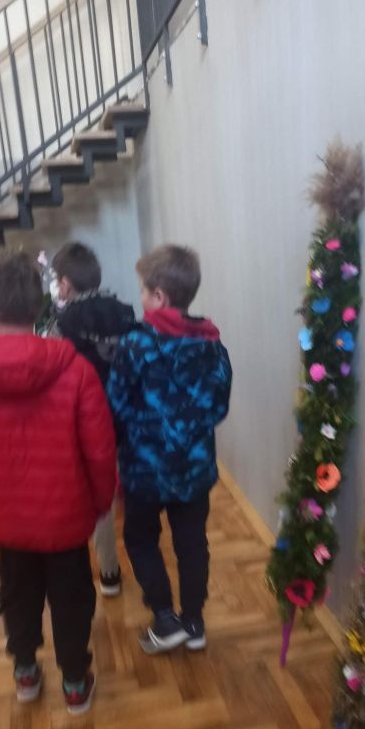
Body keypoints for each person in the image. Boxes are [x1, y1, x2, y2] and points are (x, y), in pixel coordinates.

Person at [0, 248, 116, 713]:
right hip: (66, 514)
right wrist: (101, 502)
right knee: (72, 596)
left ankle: (26, 671)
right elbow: (100, 449)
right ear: (39, 306)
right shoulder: (76, 370)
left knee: (17, 591)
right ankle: (75, 680)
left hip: (4, 516)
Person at [108, 244, 232, 654]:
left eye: (144, 291)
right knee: (192, 541)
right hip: (194, 469)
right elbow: (218, 408)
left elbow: (116, 406)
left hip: (144, 471)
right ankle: (194, 621)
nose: (141, 298)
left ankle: (164, 617)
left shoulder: (135, 345)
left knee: (141, 538)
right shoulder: (212, 344)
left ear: (159, 296)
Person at [51, 241, 135, 597]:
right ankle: (144, 553)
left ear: (66, 284)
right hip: (128, 410)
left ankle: (109, 571)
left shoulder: (65, 321)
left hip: (88, 416)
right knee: (130, 484)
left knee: (99, 492)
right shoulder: (125, 311)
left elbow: (57, 370)